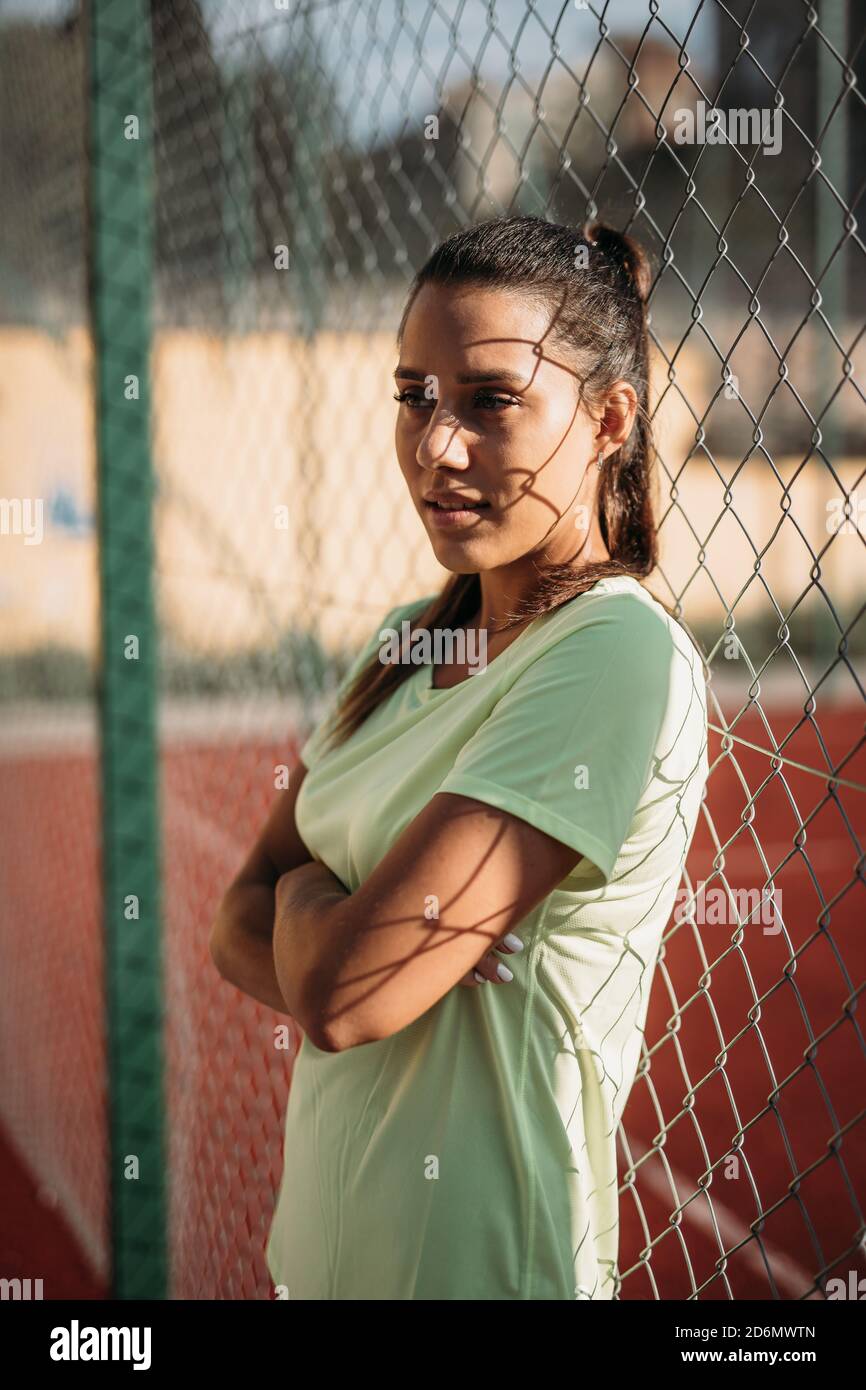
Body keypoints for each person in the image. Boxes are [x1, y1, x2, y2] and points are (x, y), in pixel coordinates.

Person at [210, 214, 710, 1300]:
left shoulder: (610, 652)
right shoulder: (403, 642)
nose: (435, 445)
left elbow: (346, 996)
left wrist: (314, 907)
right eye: (413, 395)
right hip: (317, 1269)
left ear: (607, 418)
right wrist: (325, 910)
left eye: (489, 401)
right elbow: (229, 924)